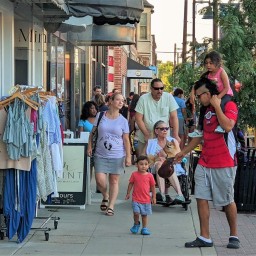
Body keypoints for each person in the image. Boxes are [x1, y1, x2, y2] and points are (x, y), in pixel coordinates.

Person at [175, 77, 240, 249]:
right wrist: (182, 152)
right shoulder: (204, 111)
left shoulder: (229, 105)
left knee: (227, 200)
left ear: (209, 94)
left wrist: (217, 106)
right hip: (205, 161)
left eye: (200, 96)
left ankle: (234, 235)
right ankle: (205, 237)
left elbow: (227, 126)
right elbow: (199, 136)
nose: (198, 99)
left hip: (224, 162)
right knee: (201, 197)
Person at [87, 92, 132, 216]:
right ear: (110, 101)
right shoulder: (101, 115)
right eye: (118, 100)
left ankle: (111, 205)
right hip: (100, 153)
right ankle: (105, 195)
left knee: (114, 181)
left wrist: (128, 156)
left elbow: (126, 140)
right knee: (100, 181)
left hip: (117, 155)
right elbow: (93, 132)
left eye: (122, 101)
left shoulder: (123, 121)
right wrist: (90, 146)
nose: (120, 102)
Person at [189, 50, 234, 138]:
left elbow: (226, 88)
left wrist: (218, 98)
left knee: (220, 106)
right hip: (215, 95)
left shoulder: (221, 72)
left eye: (211, 63)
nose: (208, 65)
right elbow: (198, 83)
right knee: (203, 109)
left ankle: (222, 126)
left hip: (225, 94)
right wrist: (192, 93)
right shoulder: (207, 75)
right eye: (206, 63)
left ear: (217, 63)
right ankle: (200, 129)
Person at [135, 78, 180, 156]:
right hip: (146, 138)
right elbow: (138, 118)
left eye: (161, 88)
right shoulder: (143, 99)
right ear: (151, 89)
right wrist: (146, 134)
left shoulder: (168, 97)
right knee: (144, 162)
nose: (159, 91)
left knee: (165, 163)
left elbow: (174, 117)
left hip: (164, 138)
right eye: (156, 88)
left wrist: (176, 135)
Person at [145, 120, 185, 203]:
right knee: (159, 163)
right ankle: (168, 194)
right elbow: (145, 157)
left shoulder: (173, 141)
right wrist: (157, 158)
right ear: (156, 131)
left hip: (172, 164)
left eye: (167, 128)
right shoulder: (151, 142)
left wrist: (166, 157)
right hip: (155, 166)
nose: (165, 130)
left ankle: (167, 194)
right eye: (162, 129)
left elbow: (179, 156)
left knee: (166, 165)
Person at [125, 155, 156, 235]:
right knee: (136, 213)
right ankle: (136, 224)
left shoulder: (150, 176)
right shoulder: (134, 174)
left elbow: (153, 187)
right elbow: (131, 184)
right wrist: (128, 193)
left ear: (148, 165)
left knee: (144, 215)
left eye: (146, 164)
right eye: (141, 164)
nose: (143, 166)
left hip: (146, 199)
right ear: (136, 165)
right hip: (136, 198)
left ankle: (144, 228)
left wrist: (154, 197)